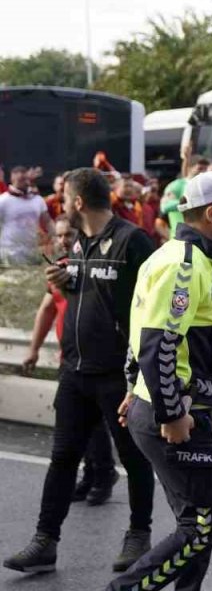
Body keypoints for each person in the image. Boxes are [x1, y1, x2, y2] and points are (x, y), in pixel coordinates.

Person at [3, 168, 157, 578]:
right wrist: (67, 280)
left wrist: (143, 373)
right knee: (62, 458)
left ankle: (139, 534)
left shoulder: (132, 241)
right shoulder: (81, 243)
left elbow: (150, 305)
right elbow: (91, 295)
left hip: (117, 374)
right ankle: (44, 541)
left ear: (77, 202)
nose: (61, 205)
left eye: (65, 198)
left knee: (134, 458)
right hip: (75, 371)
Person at [106, 170, 212, 591]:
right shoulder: (184, 264)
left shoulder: (172, 256)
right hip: (177, 415)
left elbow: (138, 332)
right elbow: (158, 341)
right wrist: (169, 410)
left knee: (196, 525)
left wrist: (137, 390)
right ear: (211, 213)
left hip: (160, 404)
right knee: (201, 527)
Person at [20, 216, 119, 505]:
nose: (64, 240)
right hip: (70, 357)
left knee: (95, 422)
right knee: (78, 421)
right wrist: (33, 349)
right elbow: (47, 310)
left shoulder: (94, 268)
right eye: (60, 235)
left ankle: (103, 472)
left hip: (98, 358)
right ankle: (92, 473)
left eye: (70, 234)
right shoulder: (58, 270)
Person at [0, 165, 52, 265]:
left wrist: (56, 236)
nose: (23, 181)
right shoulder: (3, 200)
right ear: (12, 178)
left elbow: (48, 222)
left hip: (31, 253)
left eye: (24, 179)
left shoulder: (37, 200)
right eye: (19, 179)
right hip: (7, 253)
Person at [161, 149, 211, 233]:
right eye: (200, 168)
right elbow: (165, 206)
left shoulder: (207, 187)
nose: (202, 172)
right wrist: (190, 203)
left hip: (203, 235)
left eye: (205, 169)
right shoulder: (178, 185)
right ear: (190, 168)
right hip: (180, 235)